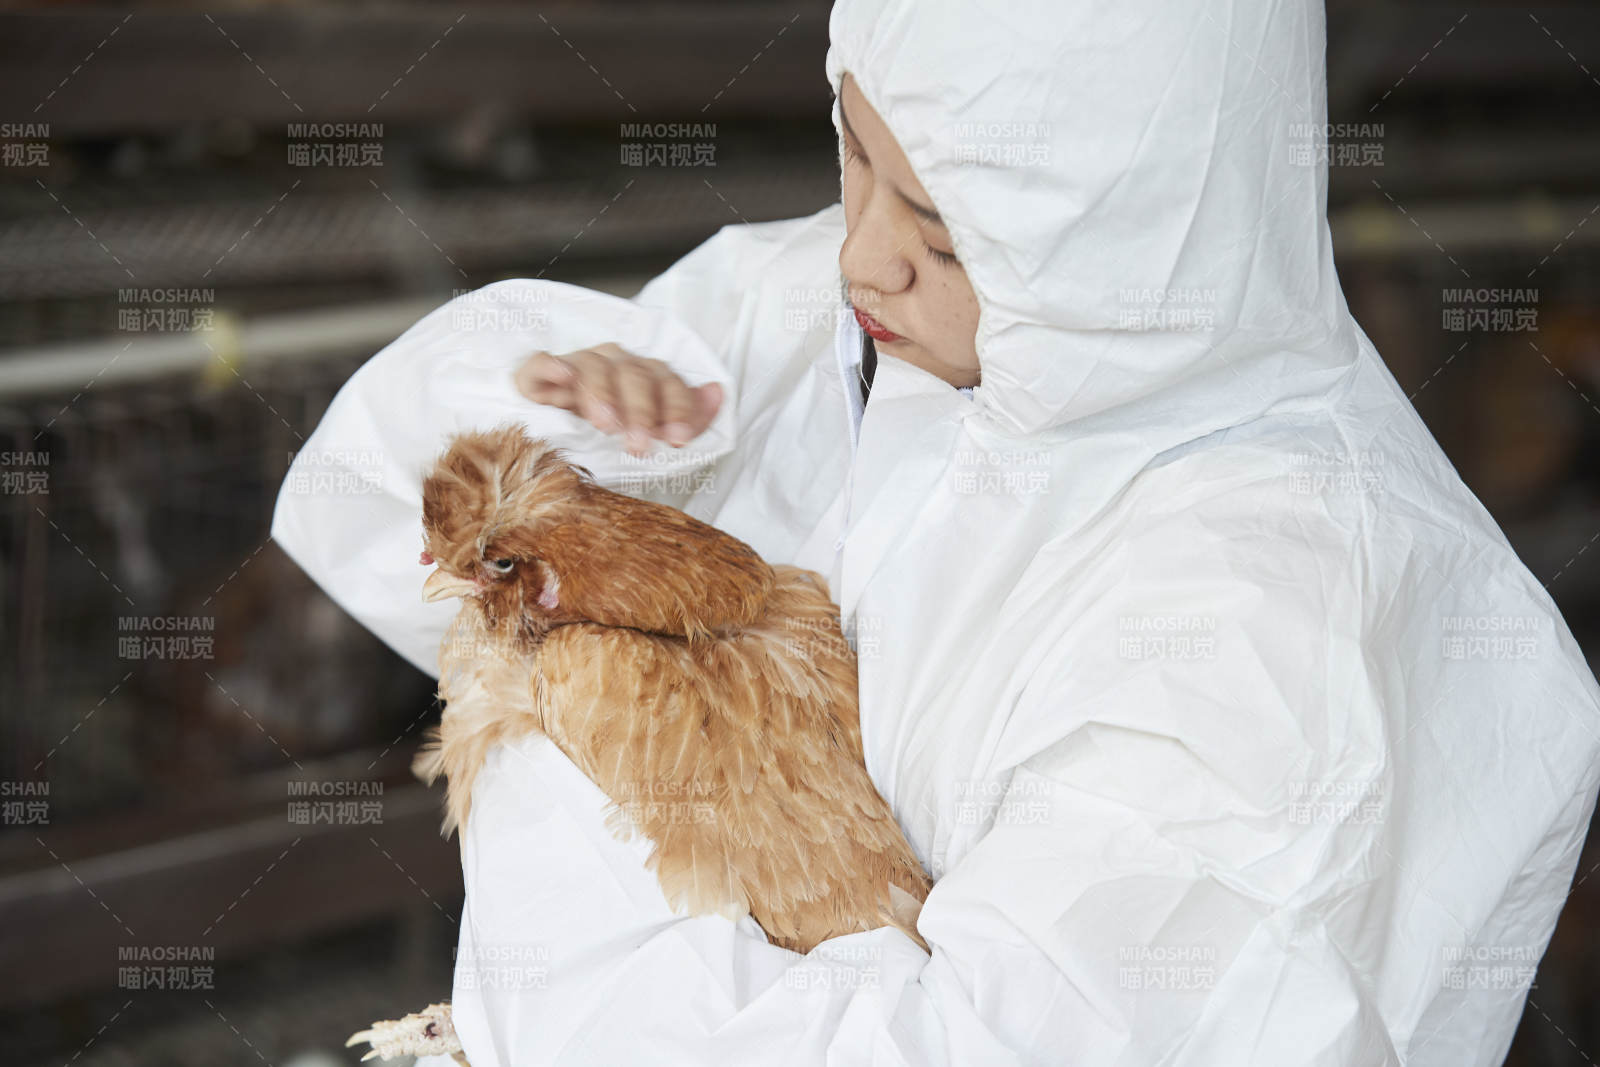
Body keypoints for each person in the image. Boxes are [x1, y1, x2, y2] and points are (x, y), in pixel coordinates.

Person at [272, 0, 1600, 1063]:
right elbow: (391, 516)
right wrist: (553, 421)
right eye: (855, 152)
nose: (862, 253)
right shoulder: (843, 316)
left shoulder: (1278, 618)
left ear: (1128, 240)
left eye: (949, 235)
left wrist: (552, 778)